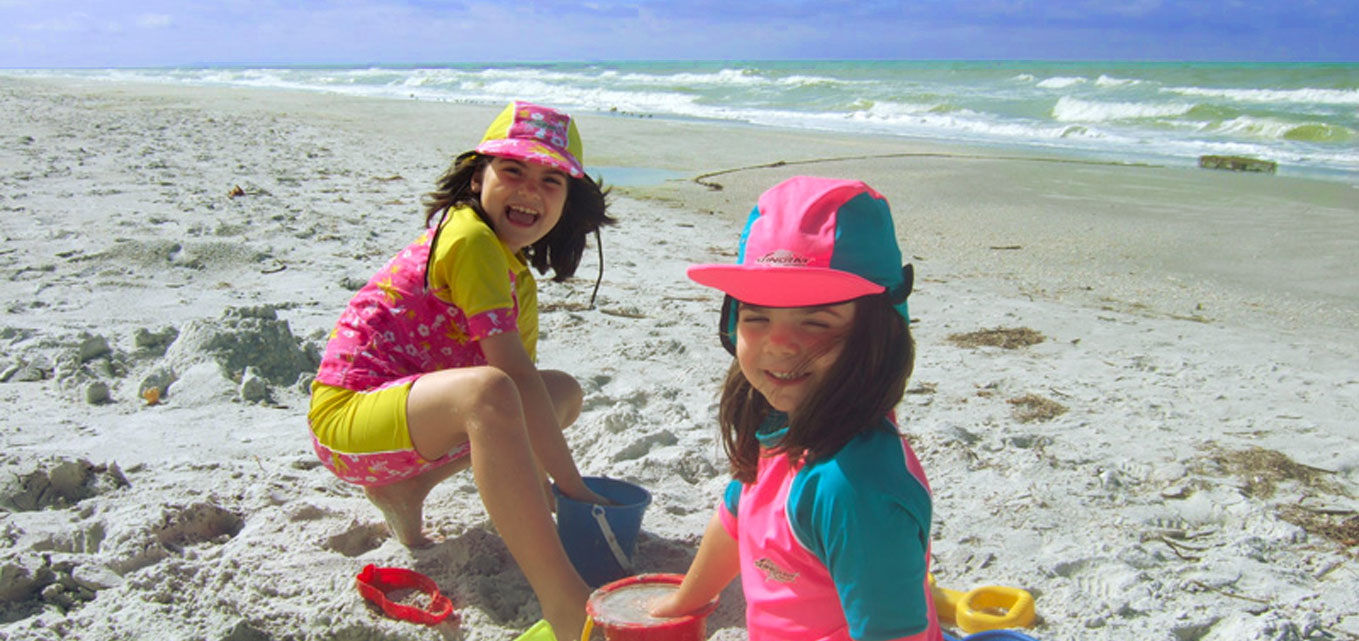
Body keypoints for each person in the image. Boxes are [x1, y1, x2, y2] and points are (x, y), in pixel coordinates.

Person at [307, 100, 614, 639]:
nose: (529, 190)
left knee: (558, 392)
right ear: (478, 178)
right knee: (493, 392)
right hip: (348, 419)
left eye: (551, 180)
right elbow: (506, 384)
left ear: (568, 200)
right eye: (512, 170)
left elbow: (526, 396)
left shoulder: (512, 269)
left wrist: (552, 485)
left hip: (409, 419)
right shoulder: (470, 238)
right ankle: (565, 605)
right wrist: (571, 488)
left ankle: (408, 488)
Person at [650, 176, 943, 641]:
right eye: (757, 317)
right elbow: (740, 515)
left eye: (816, 321)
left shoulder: (856, 490)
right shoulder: (779, 419)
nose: (780, 345)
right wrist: (685, 604)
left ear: (877, 335)